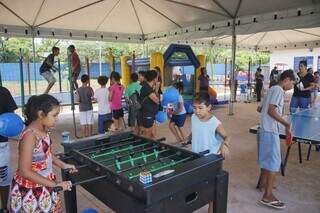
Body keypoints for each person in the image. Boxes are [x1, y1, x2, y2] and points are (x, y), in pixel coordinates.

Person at [9, 94, 77, 213]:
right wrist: (55, 184)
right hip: (30, 191)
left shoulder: (44, 131)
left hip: (45, 184)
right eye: (54, 115)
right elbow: (24, 171)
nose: (57, 119)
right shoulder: (30, 136)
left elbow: (47, 154)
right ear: (41, 114)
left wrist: (63, 165)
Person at [257, 70, 296, 209]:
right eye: (293, 82)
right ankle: (267, 196)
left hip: (263, 129)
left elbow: (259, 108)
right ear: (286, 79)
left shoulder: (272, 89)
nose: (293, 85)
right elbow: (271, 110)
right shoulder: (279, 90)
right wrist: (286, 124)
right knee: (274, 162)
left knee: (267, 160)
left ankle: (262, 184)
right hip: (270, 131)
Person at [188, 92, 230, 213]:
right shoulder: (193, 117)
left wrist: (225, 145)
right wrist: (189, 137)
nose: (197, 111)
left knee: (212, 187)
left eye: (201, 108)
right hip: (196, 156)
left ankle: (211, 210)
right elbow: (195, 130)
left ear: (209, 107)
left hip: (211, 159)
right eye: (194, 108)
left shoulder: (215, 122)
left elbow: (227, 136)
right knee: (195, 183)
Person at [0, 86, 17, 212]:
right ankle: (4, 208)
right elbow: (12, 117)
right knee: (3, 177)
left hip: (1, 144)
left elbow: (11, 119)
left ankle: (4, 208)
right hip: (1, 144)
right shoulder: (3, 91)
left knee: (3, 176)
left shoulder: (3, 92)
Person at [139, 70, 160, 139]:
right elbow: (157, 100)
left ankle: (151, 147)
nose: (158, 79)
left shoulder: (149, 87)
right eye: (157, 77)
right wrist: (156, 90)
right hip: (147, 114)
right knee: (147, 134)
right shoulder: (146, 88)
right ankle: (146, 148)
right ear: (154, 79)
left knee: (152, 133)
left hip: (150, 113)